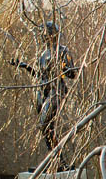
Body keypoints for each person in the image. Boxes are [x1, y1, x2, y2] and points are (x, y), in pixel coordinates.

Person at [11, 21, 78, 158]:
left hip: (56, 90)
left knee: (45, 123)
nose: (42, 36)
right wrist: (25, 66)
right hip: (42, 92)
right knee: (45, 128)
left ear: (52, 34)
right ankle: (55, 158)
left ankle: (57, 158)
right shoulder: (43, 54)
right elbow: (39, 76)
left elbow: (72, 74)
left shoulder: (62, 50)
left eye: (44, 33)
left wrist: (63, 68)